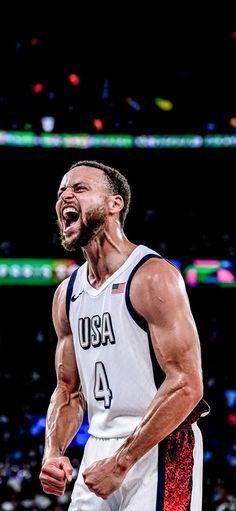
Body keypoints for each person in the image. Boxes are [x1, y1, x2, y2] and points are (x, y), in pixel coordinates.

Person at [39, 160, 210, 510]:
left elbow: (187, 384)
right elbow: (68, 390)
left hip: (160, 444)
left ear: (115, 204)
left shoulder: (153, 277)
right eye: (61, 192)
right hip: (98, 444)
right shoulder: (66, 295)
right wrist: (53, 453)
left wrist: (122, 461)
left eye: (79, 188)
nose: (65, 197)